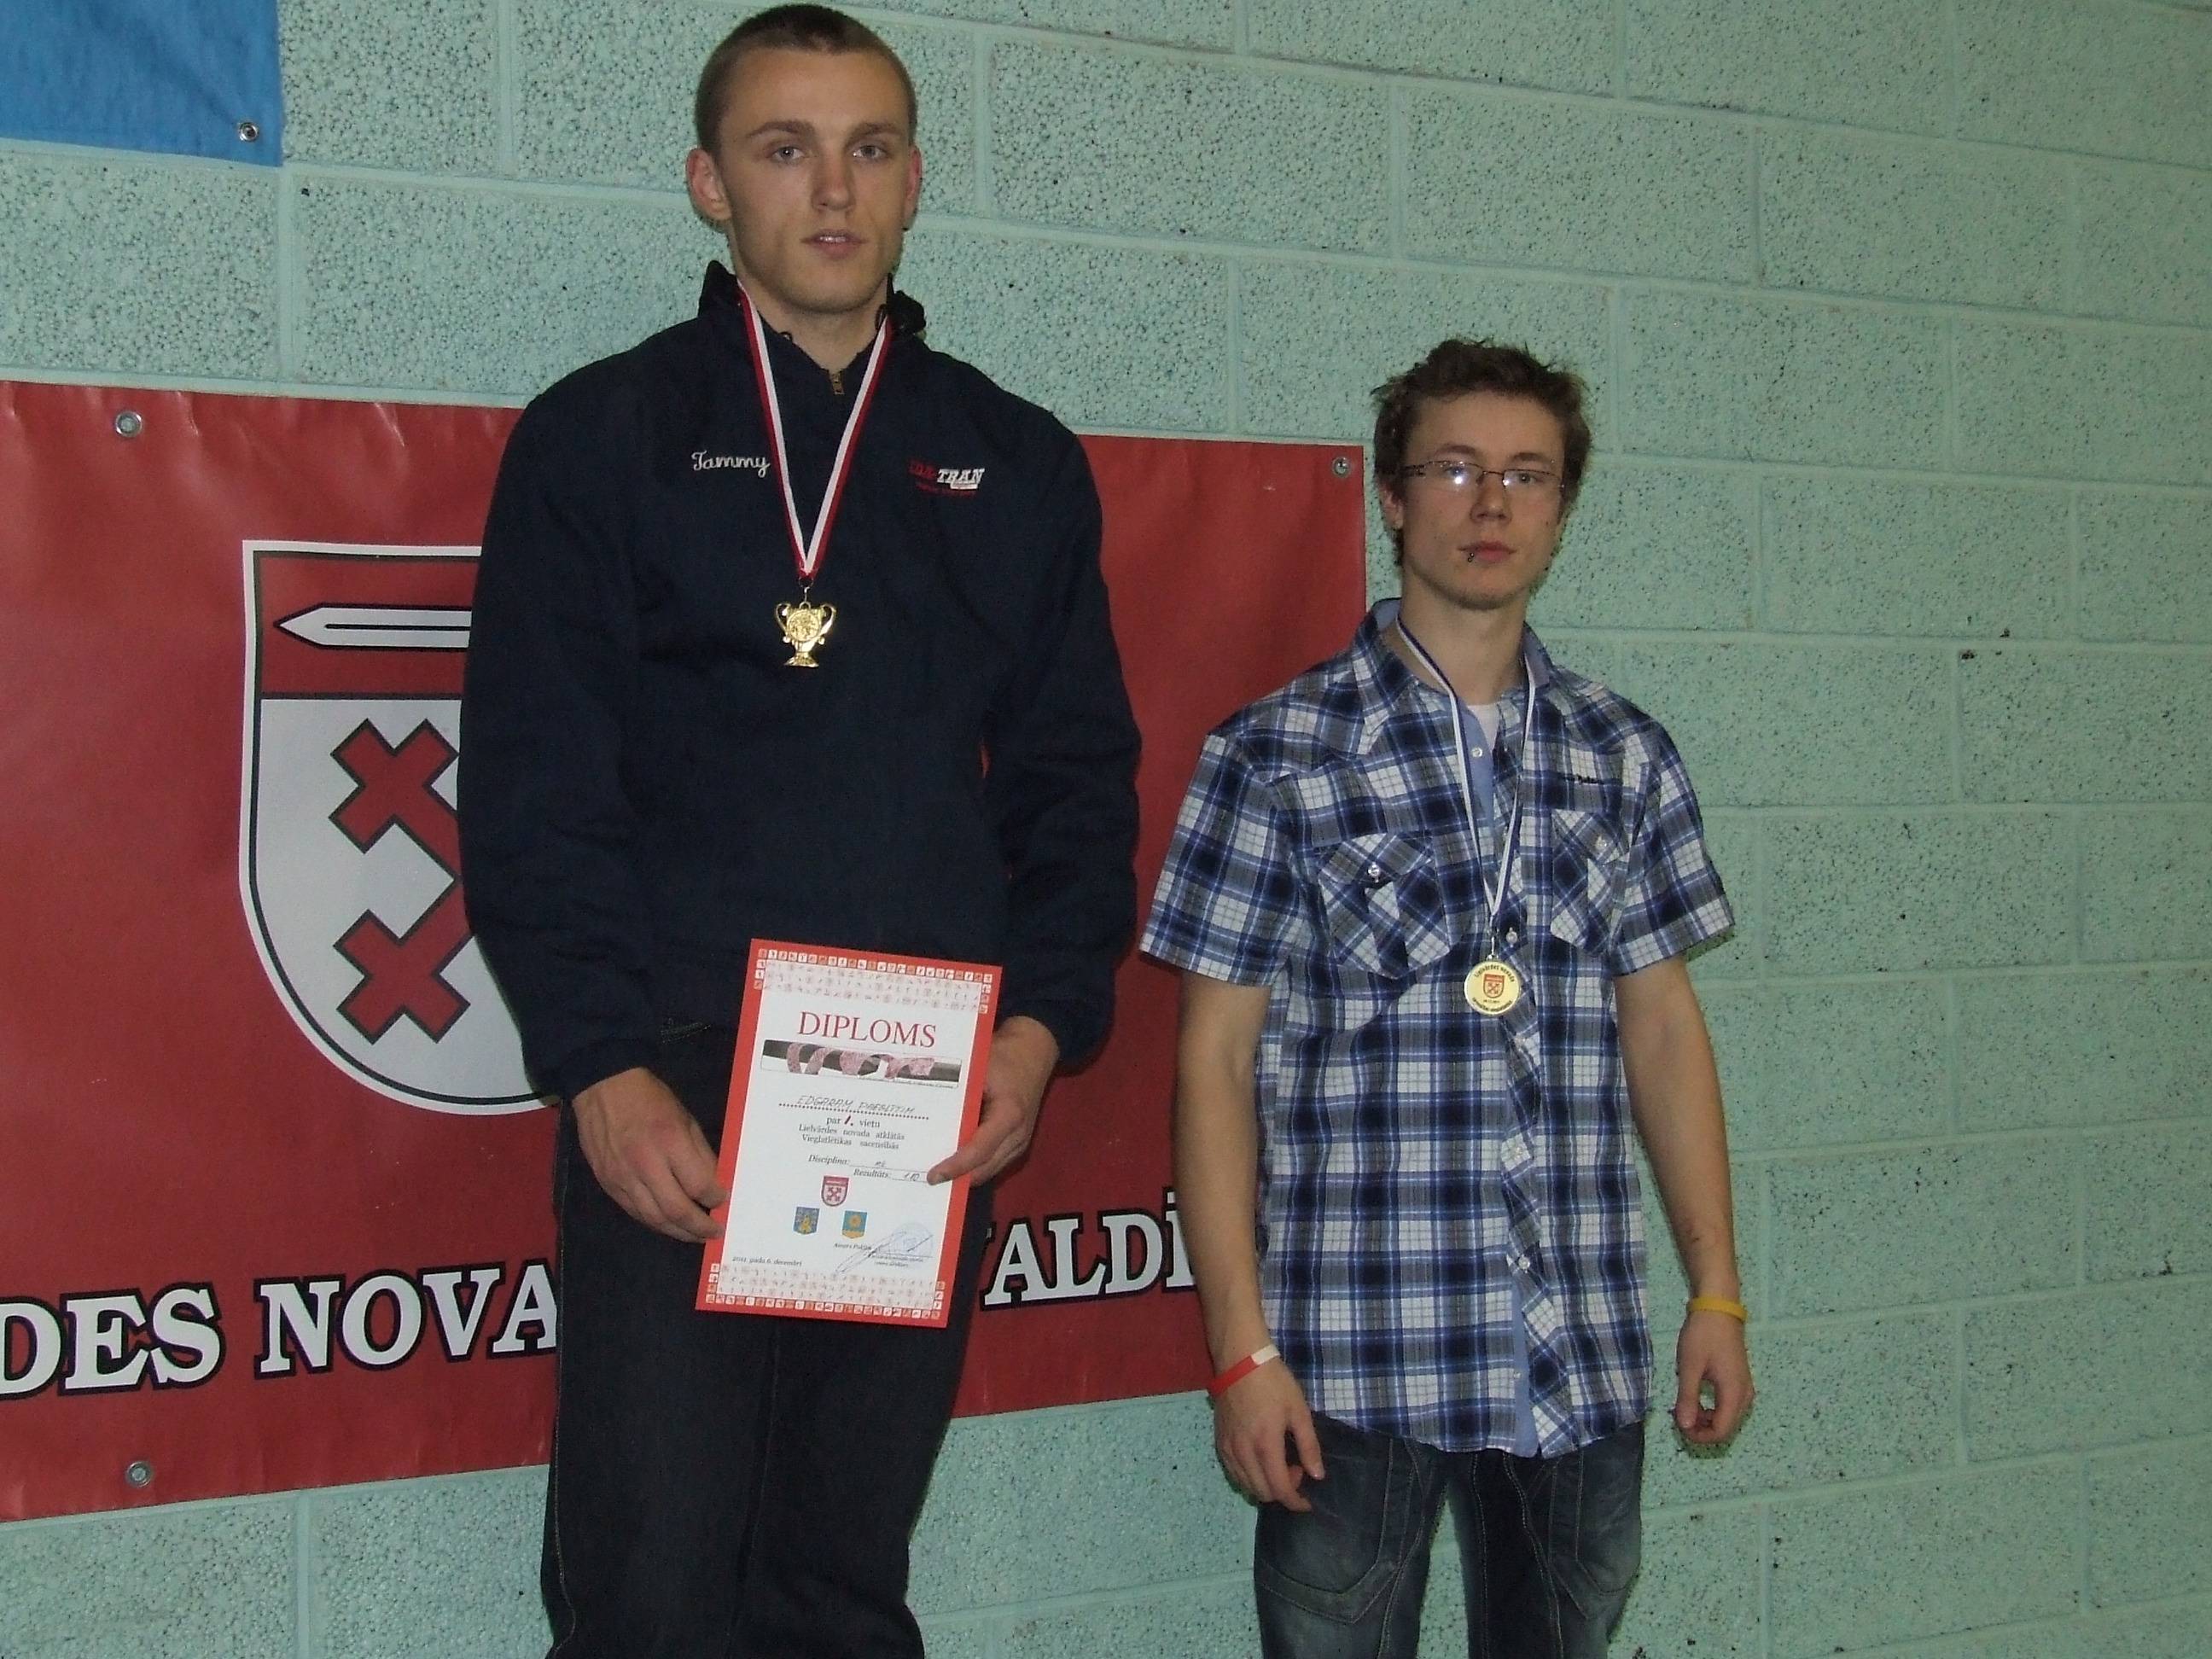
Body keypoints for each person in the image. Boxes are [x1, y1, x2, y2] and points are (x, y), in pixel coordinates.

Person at [456, 7, 1140, 1654]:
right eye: (786, 149)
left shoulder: (1014, 458)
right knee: (653, 1587)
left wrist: (1040, 1030)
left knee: (837, 1581)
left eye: (870, 148)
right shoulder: (601, 436)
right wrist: (598, 1067)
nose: (833, 190)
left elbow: (1077, 782)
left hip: (917, 1086)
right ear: (711, 183)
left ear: (914, 181)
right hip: (678, 1086)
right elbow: (535, 785)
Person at [1142, 340, 1753, 1657]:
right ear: (1393, 497)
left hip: (1577, 1355)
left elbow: (1663, 1029)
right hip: (1353, 1364)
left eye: (1527, 475)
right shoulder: (1275, 755)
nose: (1491, 505)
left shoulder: (1624, 756)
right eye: (1456, 469)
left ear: (1562, 509)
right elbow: (1214, 1066)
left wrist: (1717, 1293)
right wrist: (1240, 1351)